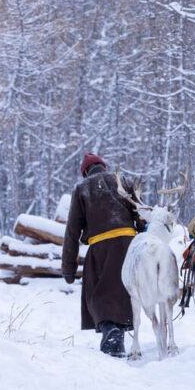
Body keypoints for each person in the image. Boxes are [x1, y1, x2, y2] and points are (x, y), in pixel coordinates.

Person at [61, 153, 147, 358]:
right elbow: (142, 214)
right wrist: (145, 236)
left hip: (101, 248)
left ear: (85, 172)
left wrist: (68, 268)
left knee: (100, 291)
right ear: (104, 166)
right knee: (124, 289)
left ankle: (112, 338)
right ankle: (118, 334)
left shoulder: (82, 188)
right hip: (129, 244)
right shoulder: (122, 180)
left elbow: (72, 231)